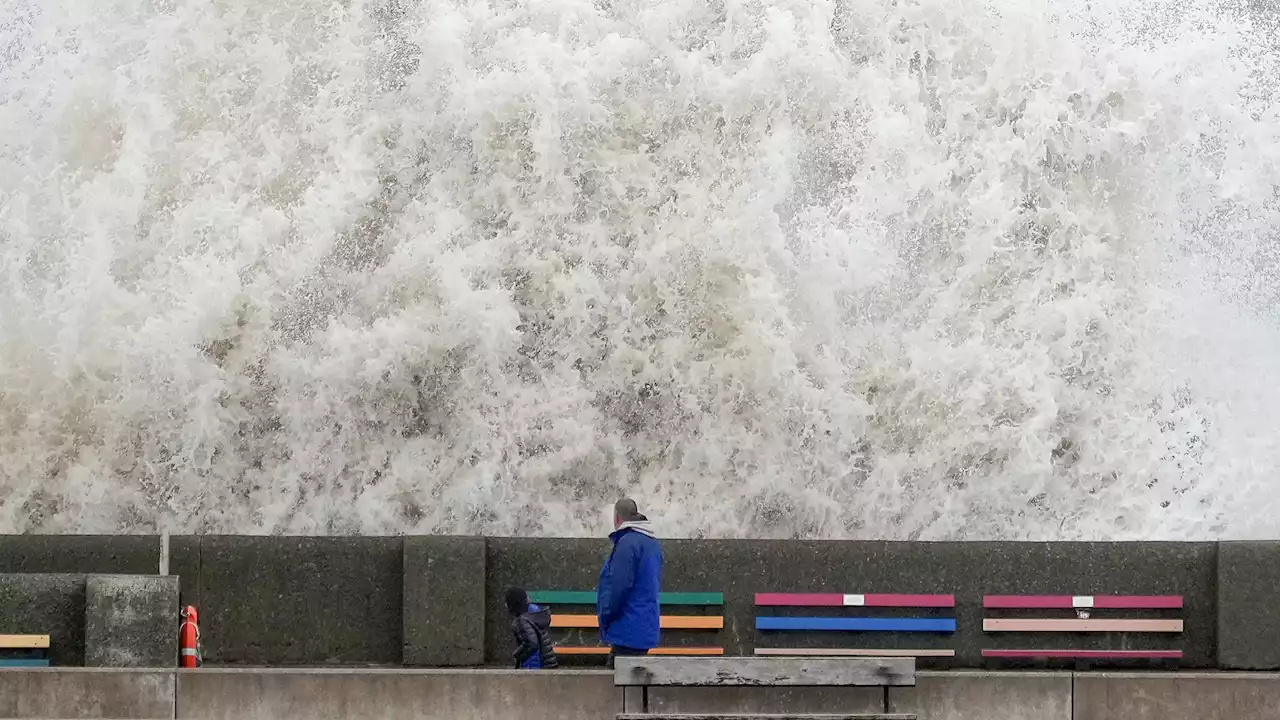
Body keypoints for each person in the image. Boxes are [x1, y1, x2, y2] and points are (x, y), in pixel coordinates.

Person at [596, 497, 662, 665]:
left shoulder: (627, 543)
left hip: (627, 628)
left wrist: (605, 616)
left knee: (617, 685)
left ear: (617, 518)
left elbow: (617, 587)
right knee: (634, 684)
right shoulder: (651, 543)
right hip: (643, 626)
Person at [505, 587, 558, 669]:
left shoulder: (522, 620)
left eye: (507, 602)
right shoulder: (536, 613)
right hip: (547, 663)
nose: (505, 605)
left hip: (534, 666)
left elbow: (531, 644)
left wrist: (517, 655)